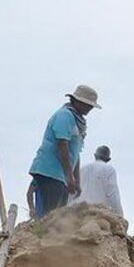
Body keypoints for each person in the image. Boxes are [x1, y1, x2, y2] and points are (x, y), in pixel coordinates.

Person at [28, 85, 101, 218]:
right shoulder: (65, 116)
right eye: (88, 105)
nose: (90, 108)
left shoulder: (78, 123)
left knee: (58, 214)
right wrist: (69, 177)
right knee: (49, 215)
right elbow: (63, 146)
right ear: (77, 101)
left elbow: (75, 153)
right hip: (49, 171)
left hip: (60, 175)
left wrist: (76, 179)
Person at [72, 145, 123, 216]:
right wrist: (120, 215)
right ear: (108, 159)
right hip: (97, 214)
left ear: (95, 156)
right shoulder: (109, 169)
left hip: (78, 212)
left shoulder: (82, 168)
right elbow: (113, 194)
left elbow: (73, 192)